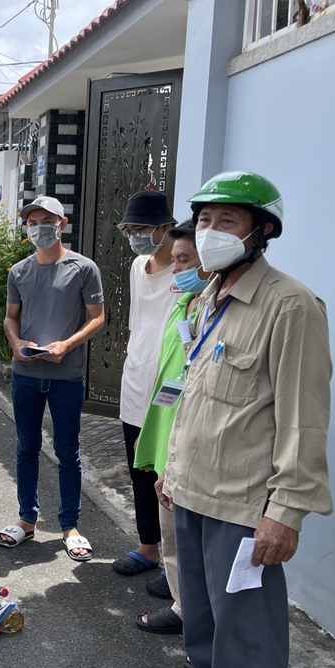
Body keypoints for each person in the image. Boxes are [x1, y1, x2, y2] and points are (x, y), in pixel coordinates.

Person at [158, 172, 332, 668]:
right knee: (203, 632)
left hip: (243, 510)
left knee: (246, 643)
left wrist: (287, 512)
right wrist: (173, 468)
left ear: (263, 232)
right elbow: (196, 397)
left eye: (227, 220)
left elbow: (305, 418)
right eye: (204, 220)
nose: (210, 231)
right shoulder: (210, 296)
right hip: (192, 495)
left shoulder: (291, 306)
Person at [0, 195, 105, 560]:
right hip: (27, 372)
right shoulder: (19, 271)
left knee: (67, 452)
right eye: (32, 221)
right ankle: (27, 520)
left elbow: (97, 317)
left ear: (63, 223)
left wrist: (67, 345)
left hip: (66, 375)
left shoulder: (84, 268)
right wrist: (15, 341)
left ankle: (69, 526)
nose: (38, 227)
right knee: (26, 449)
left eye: (46, 220)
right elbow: (11, 317)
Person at [132, 220, 212, 642]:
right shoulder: (182, 306)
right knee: (172, 535)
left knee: (195, 542)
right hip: (168, 437)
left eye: (184, 260)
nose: (176, 269)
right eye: (175, 258)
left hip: (195, 446)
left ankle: (199, 622)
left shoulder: (215, 313)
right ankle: (183, 609)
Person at [113, 191, 178, 577]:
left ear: (165, 227)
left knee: (168, 472)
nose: (135, 236)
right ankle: (148, 546)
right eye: (130, 229)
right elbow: (137, 320)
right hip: (136, 376)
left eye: (141, 228)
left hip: (169, 384)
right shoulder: (139, 266)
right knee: (139, 469)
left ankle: (175, 559)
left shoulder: (188, 270)